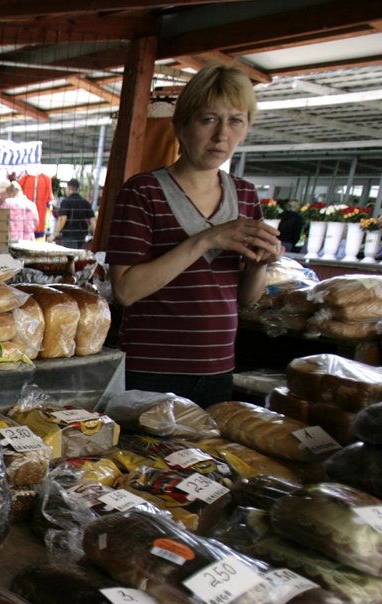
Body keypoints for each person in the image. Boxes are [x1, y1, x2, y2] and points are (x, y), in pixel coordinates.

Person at [105, 64, 282, 408]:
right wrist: (205, 240)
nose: (221, 136)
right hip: (152, 369)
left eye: (235, 121)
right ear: (181, 126)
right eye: (208, 120)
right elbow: (125, 291)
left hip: (218, 368)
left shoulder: (245, 195)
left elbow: (246, 299)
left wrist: (262, 263)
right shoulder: (143, 191)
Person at [48, 178, 95, 248]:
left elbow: (62, 219)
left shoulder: (66, 202)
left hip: (69, 237)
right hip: (82, 238)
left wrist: (53, 235)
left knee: (68, 254)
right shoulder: (85, 203)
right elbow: (93, 221)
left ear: (69, 188)